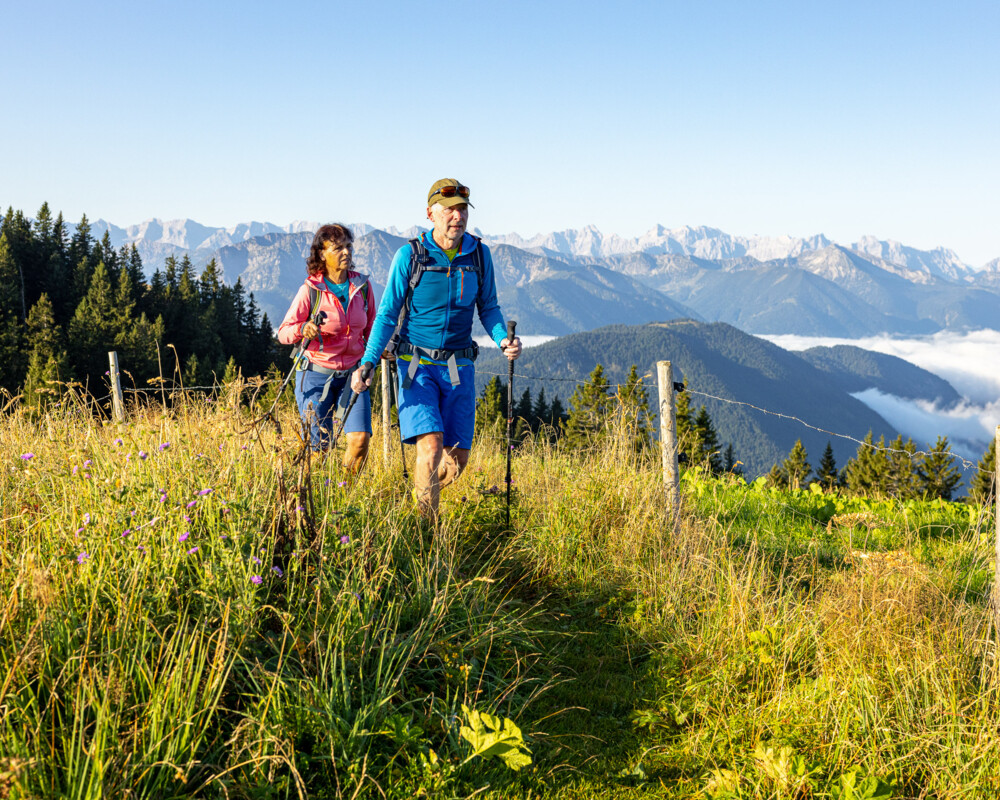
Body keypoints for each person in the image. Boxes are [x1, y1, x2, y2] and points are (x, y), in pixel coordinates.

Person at [351, 178, 521, 517]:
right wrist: (369, 361)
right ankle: (426, 532)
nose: (457, 217)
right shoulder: (410, 256)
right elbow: (386, 313)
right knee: (430, 447)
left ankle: (417, 501)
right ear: (431, 213)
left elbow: (488, 307)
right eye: (449, 210)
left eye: (462, 210)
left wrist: (503, 339)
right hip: (416, 367)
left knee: (456, 461)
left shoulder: (479, 254)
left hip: (459, 367)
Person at [277, 223, 376, 471]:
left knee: (360, 440)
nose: (346, 252)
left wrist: (377, 351)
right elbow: (283, 333)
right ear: (322, 254)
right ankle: (317, 498)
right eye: (338, 248)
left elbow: (373, 326)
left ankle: (344, 493)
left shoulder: (362, 287)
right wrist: (303, 329)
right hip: (314, 375)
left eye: (348, 246)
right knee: (318, 448)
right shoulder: (310, 290)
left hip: (353, 374)